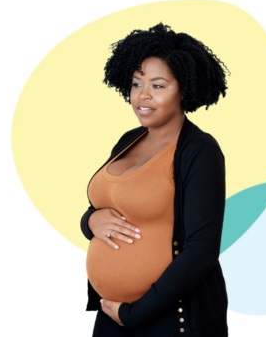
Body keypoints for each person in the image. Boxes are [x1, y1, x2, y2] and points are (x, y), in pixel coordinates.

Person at [81, 23, 229, 336]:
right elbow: (111, 205)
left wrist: (135, 313)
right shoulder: (128, 140)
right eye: (136, 84)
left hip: (168, 316)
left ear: (184, 89)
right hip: (113, 312)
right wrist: (90, 221)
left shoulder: (200, 151)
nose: (142, 95)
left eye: (158, 86)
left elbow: (201, 251)